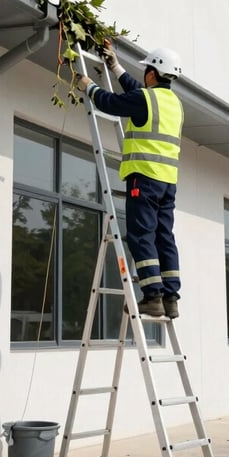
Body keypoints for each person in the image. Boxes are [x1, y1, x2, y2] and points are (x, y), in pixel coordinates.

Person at [77, 44, 184, 318]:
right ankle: (171, 297)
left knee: (140, 235)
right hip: (167, 182)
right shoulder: (174, 105)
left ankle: (152, 296)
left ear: (152, 72)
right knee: (164, 237)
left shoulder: (144, 99)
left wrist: (89, 86)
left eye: (146, 69)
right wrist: (115, 67)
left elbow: (110, 103)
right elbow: (139, 93)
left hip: (144, 178)